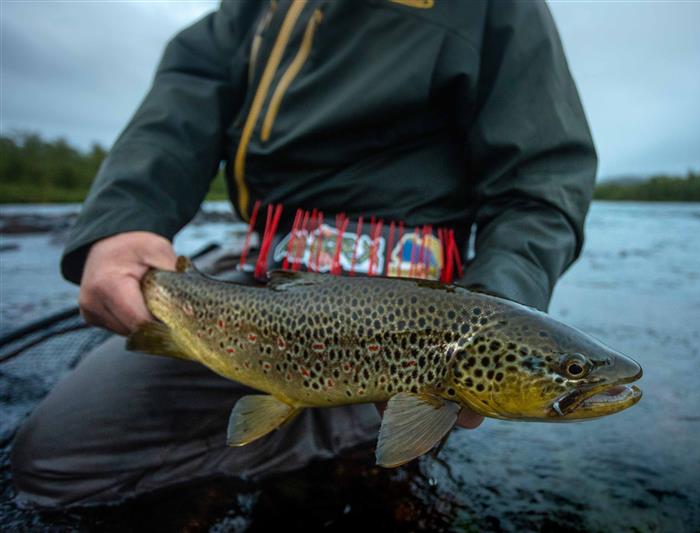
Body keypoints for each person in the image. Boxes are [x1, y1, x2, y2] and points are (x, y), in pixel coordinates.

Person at [11, 0, 596, 508]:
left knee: (360, 481)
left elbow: (541, 187)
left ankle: (340, 451)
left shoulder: (499, 9)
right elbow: (186, 95)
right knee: (52, 465)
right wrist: (125, 222)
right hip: (266, 283)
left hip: (423, 303)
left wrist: (497, 303)